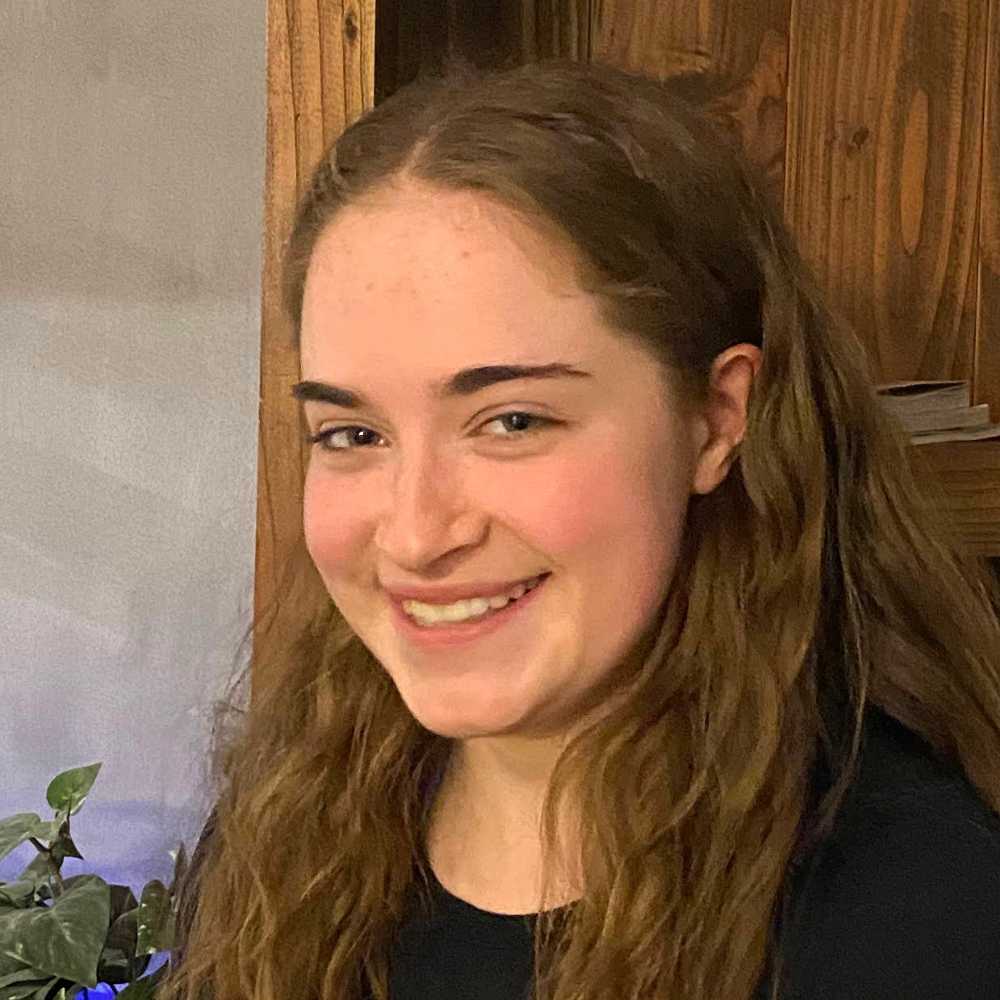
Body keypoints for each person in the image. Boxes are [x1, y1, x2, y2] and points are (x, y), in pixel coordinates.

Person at [159, 59, 1000, 1000]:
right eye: (353, 434)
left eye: (513, 421)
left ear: (716, 419)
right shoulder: (293, 837)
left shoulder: (922, 911)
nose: (415, 534)